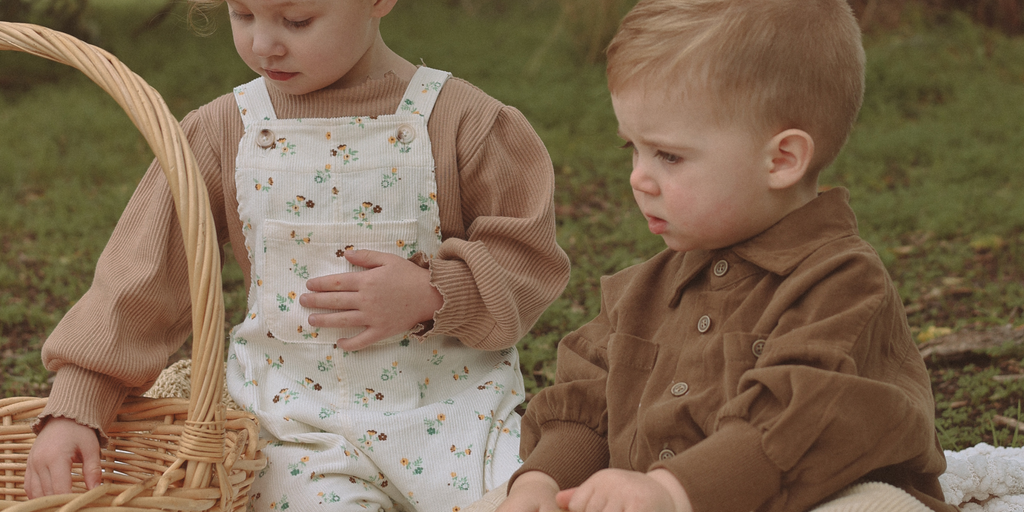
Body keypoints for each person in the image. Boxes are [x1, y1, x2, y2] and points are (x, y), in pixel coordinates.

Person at [24, 1, 570, 511]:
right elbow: (141, 277)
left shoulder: (464, 123)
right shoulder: (221, 131)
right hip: (293, 429)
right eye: (243, 13)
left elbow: (526, 263)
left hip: (455, 417)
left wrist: (435, 293)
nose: (264, 45)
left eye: (298, 20)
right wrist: (79, 402)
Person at [497, 1, 956, 511]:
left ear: (781, 160)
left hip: (808, 496)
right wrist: (541, 481)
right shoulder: (641, 292)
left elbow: (798, 421)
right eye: (633, 148)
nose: (638, 178)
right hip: (655, 498)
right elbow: (584, 409)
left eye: (668, 155)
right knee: (510, 498)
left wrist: (673, 490)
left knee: (877, 506)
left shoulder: (841, 283)